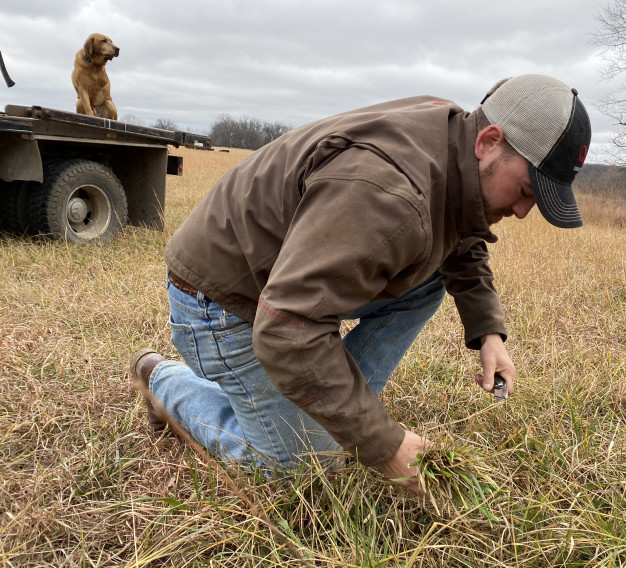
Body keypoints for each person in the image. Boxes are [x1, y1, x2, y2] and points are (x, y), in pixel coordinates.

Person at [131, 74, 591, 493]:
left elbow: (462, 234)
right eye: (527, 191)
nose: (523, 211)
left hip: (282, 282)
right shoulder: (391, 195)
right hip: (222, 301)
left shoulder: (455, 139)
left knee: (426, 282)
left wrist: (488, 333)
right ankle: (164, 379)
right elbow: (287, 327)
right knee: (305, 467)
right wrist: (385, 445)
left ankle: (330, 410)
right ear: (490, 141)